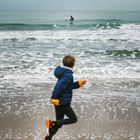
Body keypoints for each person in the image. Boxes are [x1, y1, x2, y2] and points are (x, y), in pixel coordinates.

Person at [45, 55, 86, 140]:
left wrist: (78, 84)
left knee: (59, 121)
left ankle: (48, 137)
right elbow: (58, 86)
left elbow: (67, 86)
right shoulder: (68, 75)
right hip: (63, 103)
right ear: (73, 65)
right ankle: (52, 123)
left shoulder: (64, 73)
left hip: (58, 102)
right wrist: (54, 98)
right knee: (73, 119)